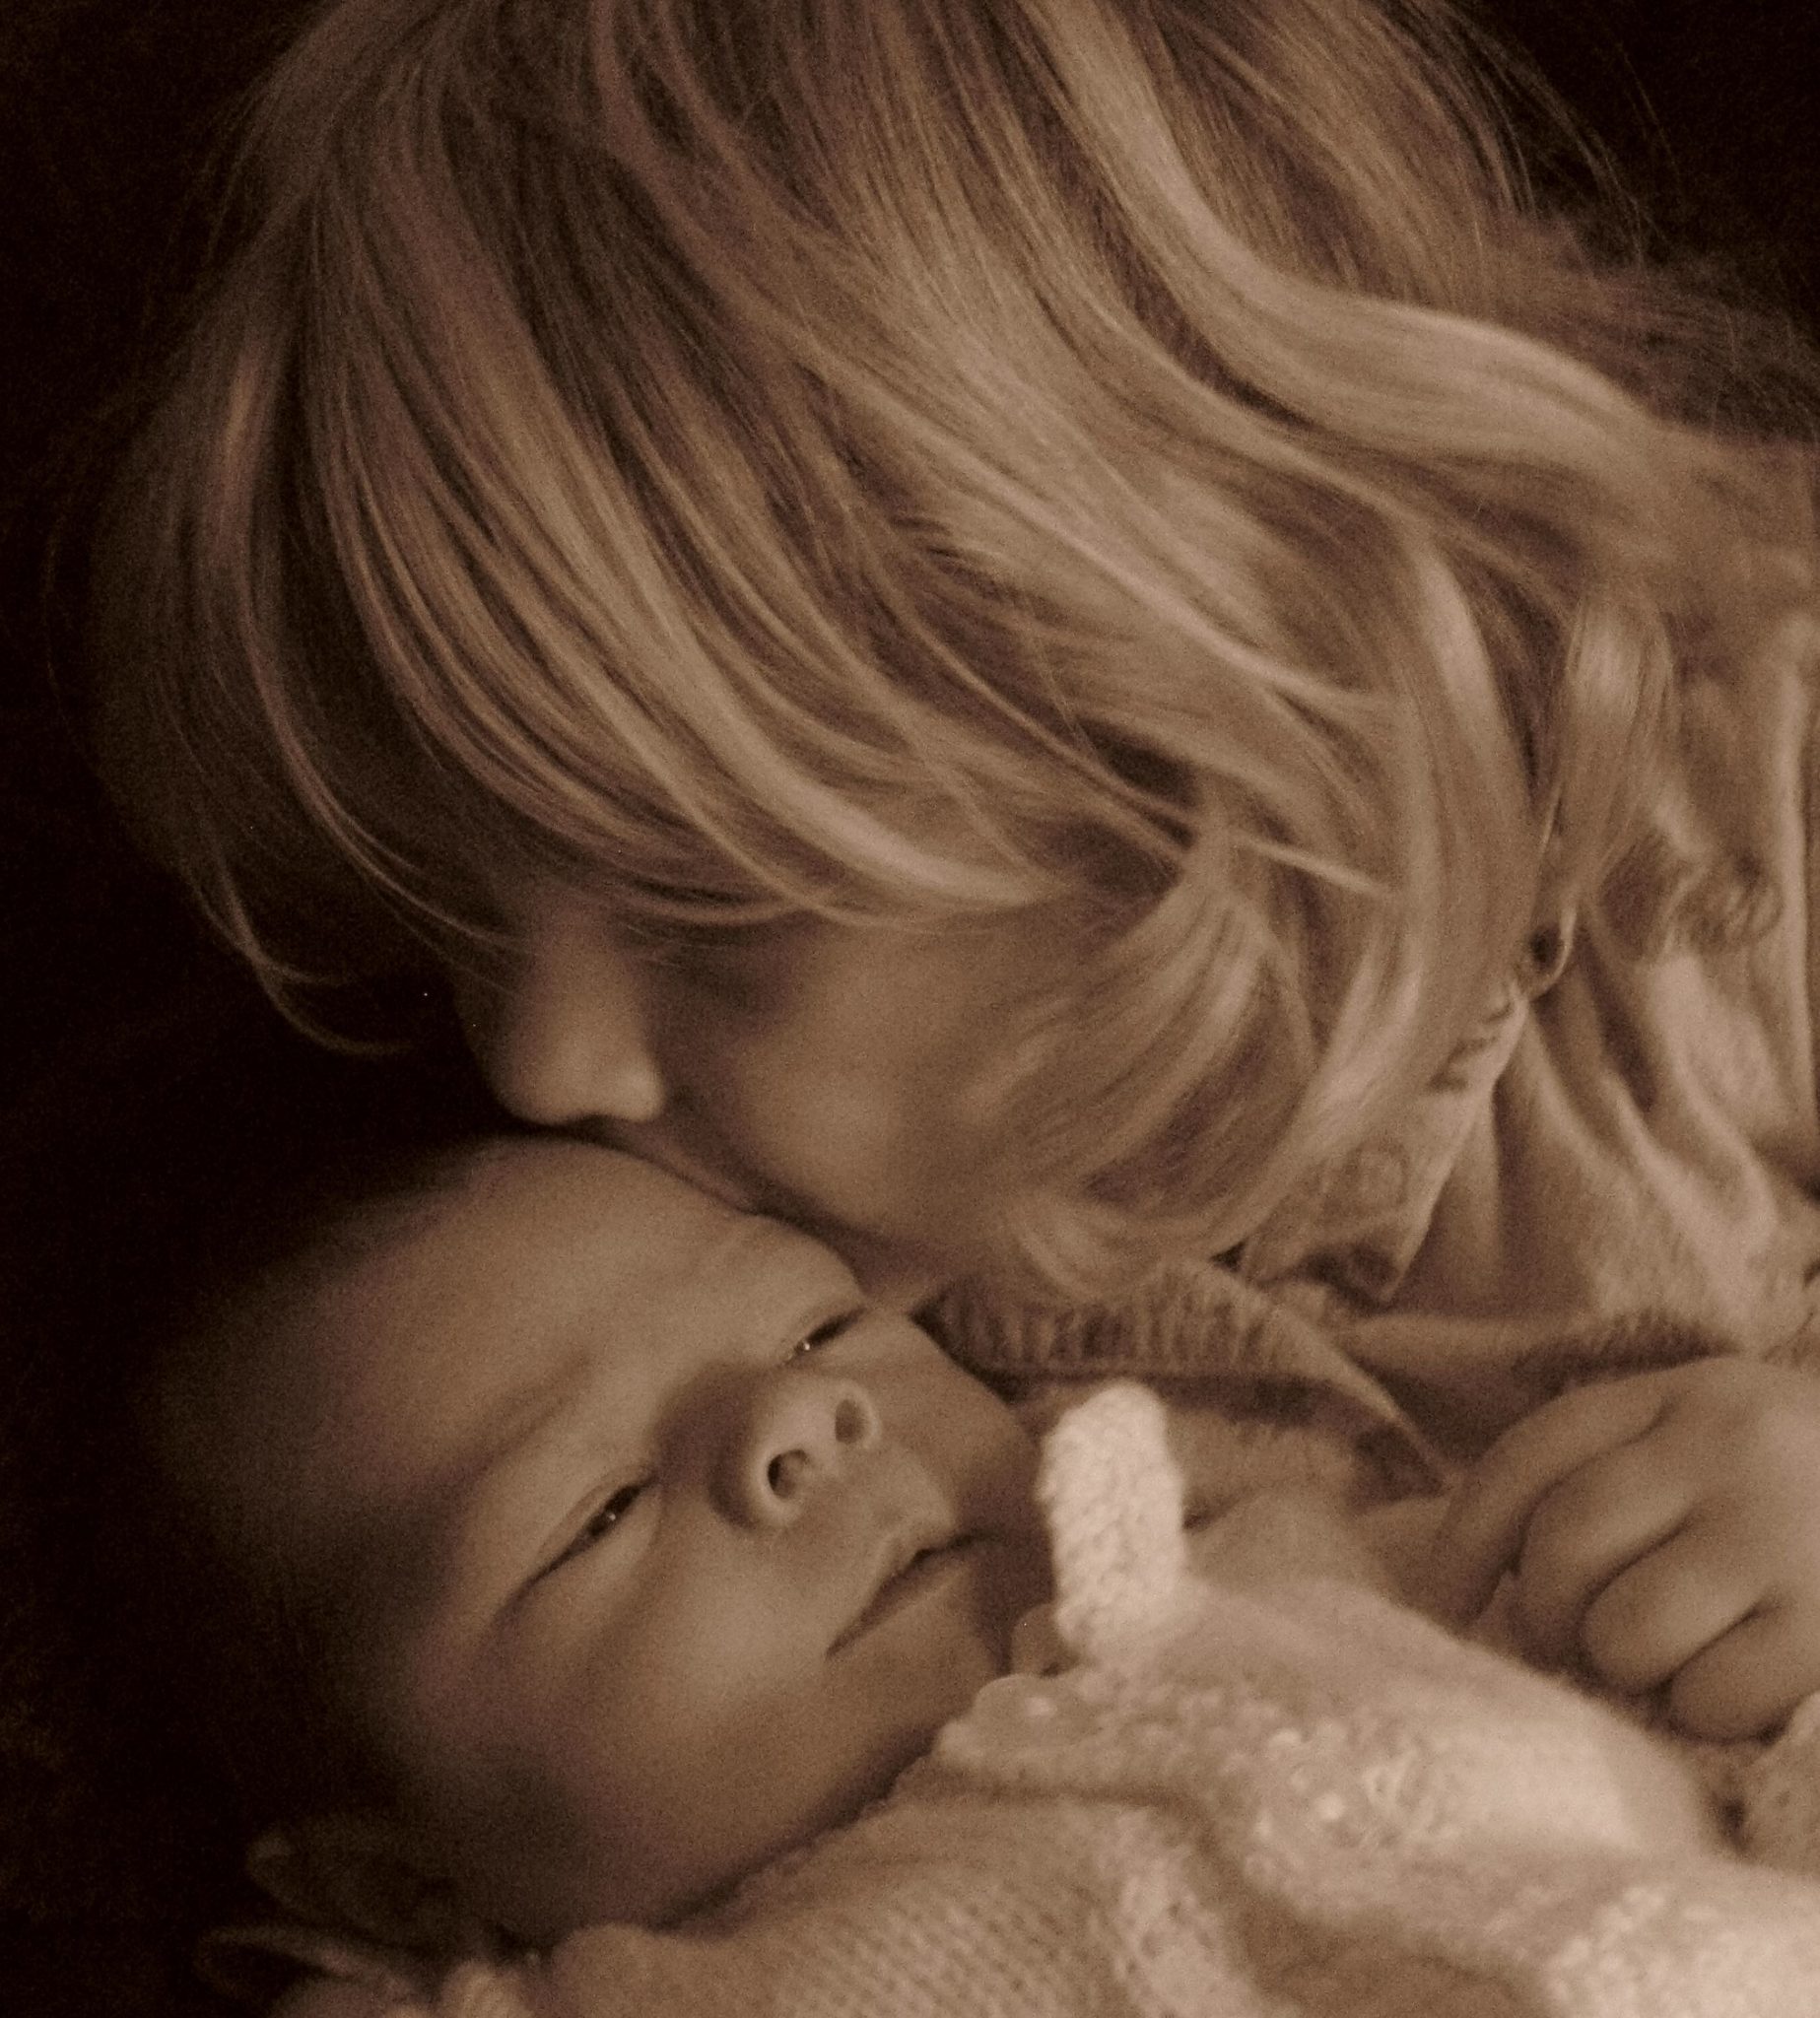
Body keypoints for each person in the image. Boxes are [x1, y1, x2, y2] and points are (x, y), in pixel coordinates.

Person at [88, 0, 1820, 1744]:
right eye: (456, 920)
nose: (536, 1068)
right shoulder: (774, 1345)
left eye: (704, 902)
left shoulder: (1761, 808)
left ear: (1192, 689)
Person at [115, 1137, 1820, 2018]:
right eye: (602, 1509)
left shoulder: (1352, 1568)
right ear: (394, 1881)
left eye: (820, 1325)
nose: (798, 1416)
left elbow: (1741, 1700)